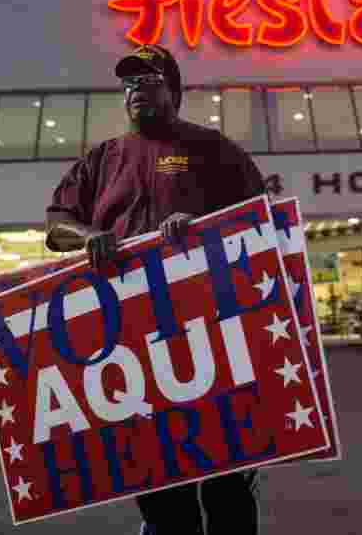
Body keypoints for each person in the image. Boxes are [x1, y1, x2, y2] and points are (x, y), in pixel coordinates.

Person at [44, 44, 266, 535]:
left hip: (210, 336)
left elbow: (261, 215)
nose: (135, 91)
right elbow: (57, 222)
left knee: (225, 479)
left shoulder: (213, 149)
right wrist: (87, 237)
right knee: (160, 482)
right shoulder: (102, 159)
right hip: (132, 343)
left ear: (174, 91)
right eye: (128, 85)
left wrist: (206, 225)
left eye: (148, 81)